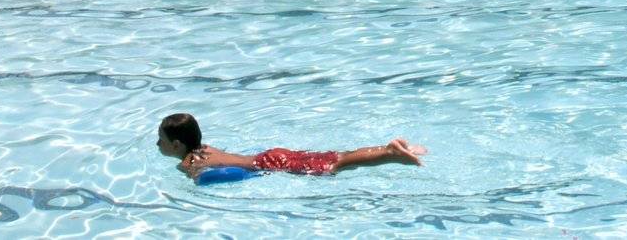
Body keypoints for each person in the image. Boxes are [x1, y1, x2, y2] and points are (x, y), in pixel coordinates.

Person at [156, 112, 425, 178]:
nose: (158, 144)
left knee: (337, 164)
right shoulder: (206, 148)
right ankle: (394, 148)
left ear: (177, 144)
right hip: (270, 155)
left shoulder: (188, 163)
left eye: (163, 140)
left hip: (268, 164)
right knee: (336, 156)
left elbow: (216, 178)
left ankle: (392, 153)